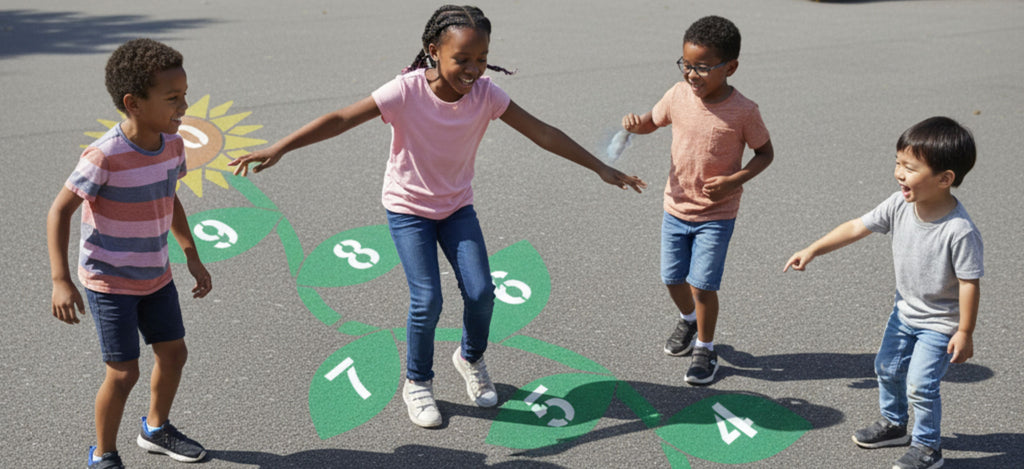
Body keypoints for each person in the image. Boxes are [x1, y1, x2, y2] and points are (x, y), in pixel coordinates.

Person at [229, 5, 646, 428]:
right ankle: (418, 382)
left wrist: (599, 166)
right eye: (461, 59)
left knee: (482, 293)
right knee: (427, 299)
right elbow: (340, 119)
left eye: (481, 59)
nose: (473, 69)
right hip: (408, 209)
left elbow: (543, 132)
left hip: (455, 207)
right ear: (434, 51)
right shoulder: (405, 91)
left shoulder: (487, 94)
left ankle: (469, 357)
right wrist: (279, 146)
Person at [47, 38, 213, 468]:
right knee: (123, 373)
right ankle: (103, 455)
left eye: (185, 95)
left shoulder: (172, 145)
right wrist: (61, 281)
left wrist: (191, 253)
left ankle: (155, 430)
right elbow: (59, 211)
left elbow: (169, 197)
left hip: (156, 275)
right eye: (172, 98)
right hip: (111, 281)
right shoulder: (105, 155)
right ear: (133, 103)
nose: (184, 106)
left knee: (174, 353)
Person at [784, 117, 982, 469]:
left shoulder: (959, 231)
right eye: (897, 163)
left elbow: (969, 283)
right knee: (887, 369)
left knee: (921, 385)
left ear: (945, 179)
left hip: (939, 324)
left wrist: (964, 331)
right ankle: (894, 424)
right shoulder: (899, 205)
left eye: (910, 167)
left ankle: (927, 446)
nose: (899, 174)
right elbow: (856, 227)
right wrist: (813, 249)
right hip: (904, 312)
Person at [621, 16, 773, 385]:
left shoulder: (744, 111)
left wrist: (735, 180)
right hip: (675, 207)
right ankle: (688, 320)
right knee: (673, 278)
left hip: (717, 214)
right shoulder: (677, 95)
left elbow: (765, 154)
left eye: (702, 67)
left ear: (730, 67)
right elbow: (652, 121)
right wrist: (633, 124)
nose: (692, 74)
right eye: (687, 65)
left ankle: (706, 347)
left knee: (703, 284)